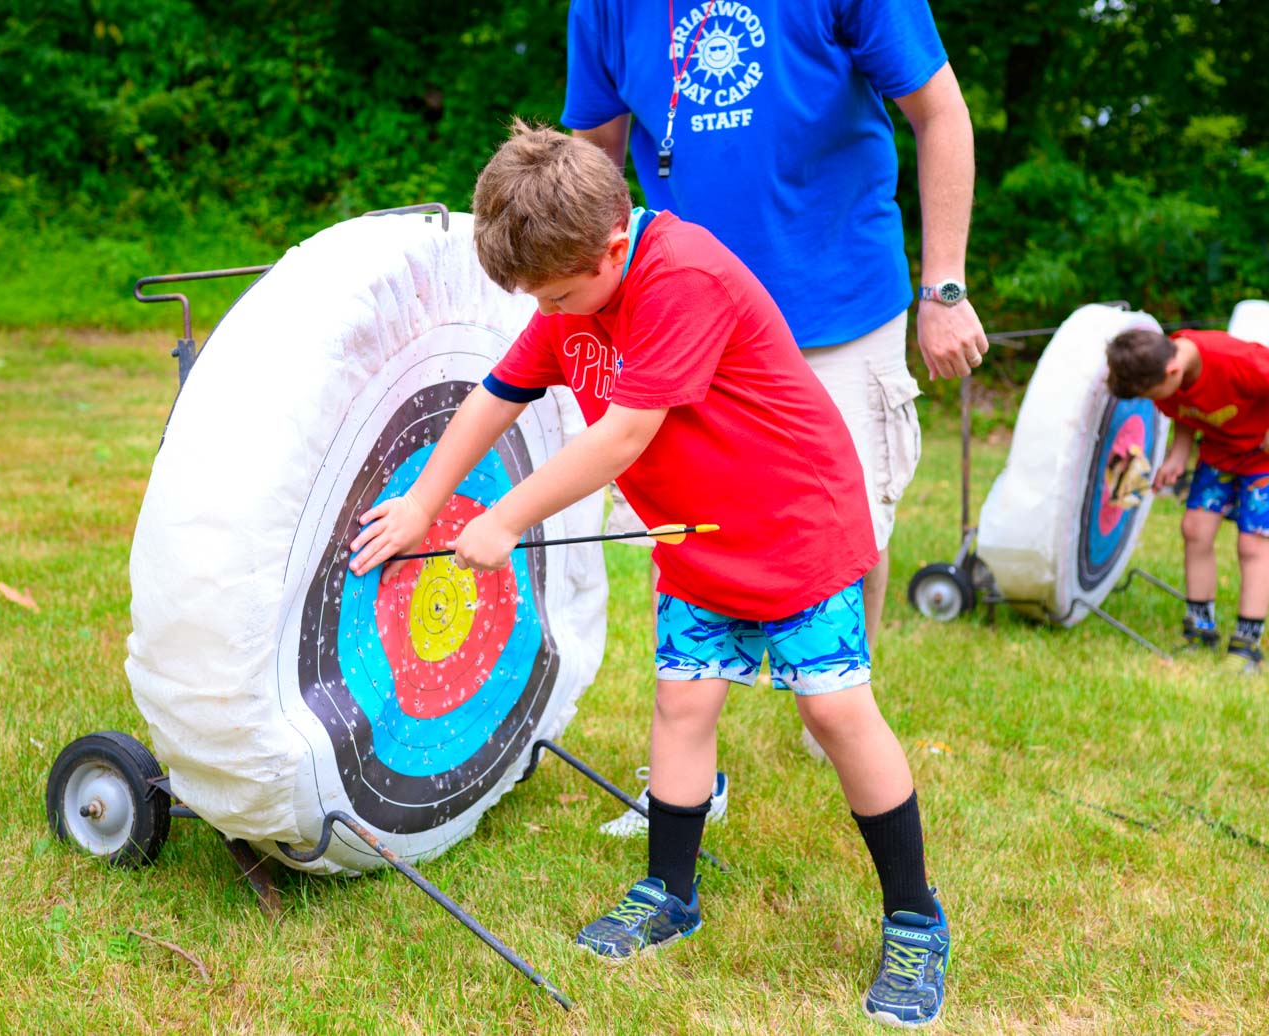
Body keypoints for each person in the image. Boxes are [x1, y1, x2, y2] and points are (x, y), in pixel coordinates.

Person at [347, 125, 950, 1027]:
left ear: (611, 246)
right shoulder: (571, 300)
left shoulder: (682, 275)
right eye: (537, 299)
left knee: (833, 709)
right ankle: (670, 891)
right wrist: (427, 503)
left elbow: (623, 436)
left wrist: (507, 521)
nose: (549, 313)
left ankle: (914, 917)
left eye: (556, 294)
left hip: (796, 528)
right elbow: (496, 396)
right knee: (682, 704)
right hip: (698, 537)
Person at [562, 0, 990, 649]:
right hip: (686, 313)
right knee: (689, 524)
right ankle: (689, 731)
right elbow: (591, 158)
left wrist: (946, 288)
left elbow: (941, 114)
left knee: (850, 527)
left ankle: (841, 709)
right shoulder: (605, 7)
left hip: (837, 301)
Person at [1105, 327, 1269, 672]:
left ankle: (1246, 647)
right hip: (1221, 451)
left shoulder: (1232, 361)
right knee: (1195, 529)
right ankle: (1200, 630)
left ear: (1171, 372)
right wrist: (1178, 455)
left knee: (1253, 544)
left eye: (1150, 395)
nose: (1152, 402)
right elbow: (1184, 409)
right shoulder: (1164, 363)